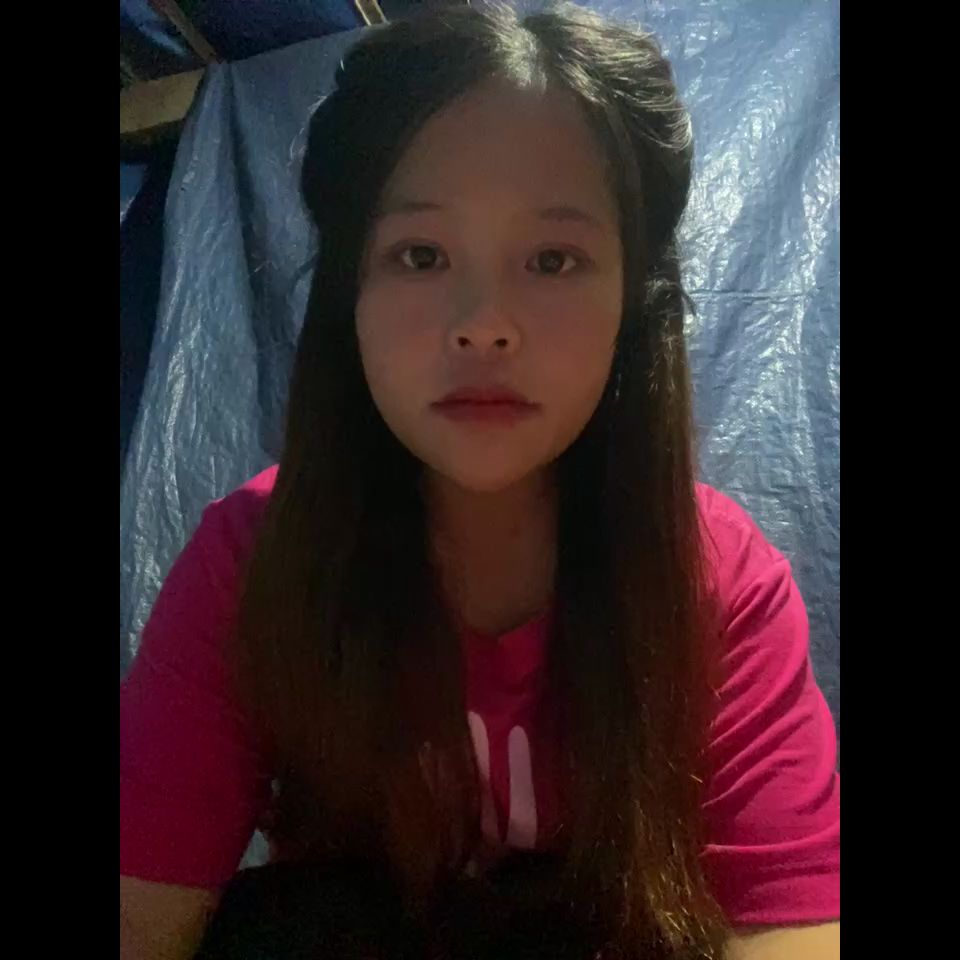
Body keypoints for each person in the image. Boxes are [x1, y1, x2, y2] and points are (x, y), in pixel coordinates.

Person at [119, 3, 840, 958]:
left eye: (554, 259)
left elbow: (790, 929)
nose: (485, 324)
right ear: (350, 297)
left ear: (634, 303)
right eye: (420, 255)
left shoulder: (717, 581)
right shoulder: (251, 562)